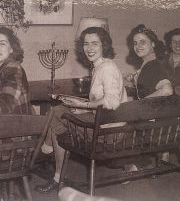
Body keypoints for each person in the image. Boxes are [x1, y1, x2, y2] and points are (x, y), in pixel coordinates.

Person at [35, 27, 127, 193]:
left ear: (103, 45)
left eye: (94, 44)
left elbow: (111, 102)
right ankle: (49, 155)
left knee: (57, 117)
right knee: (60, 112)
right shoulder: (100, 66)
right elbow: (102, 104)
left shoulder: (107, 68)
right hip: (106, 125)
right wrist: (79, 106)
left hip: (108, 134)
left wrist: (82, 106)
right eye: (86, 44)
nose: (89, 48)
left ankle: (49, 158)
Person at [126, 24, 173, 99]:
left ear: (153, 44)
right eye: (135, 43)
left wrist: (141, 103)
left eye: (142, 42)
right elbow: (147, 90)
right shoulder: (148, 65)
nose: (137, 46)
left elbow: (167, 90)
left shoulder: (153, 65)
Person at [163, 28, 180, 94]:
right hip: (163, 99)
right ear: (170, 44)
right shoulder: (162, 61)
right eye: (174, 41)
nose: (177, 44)